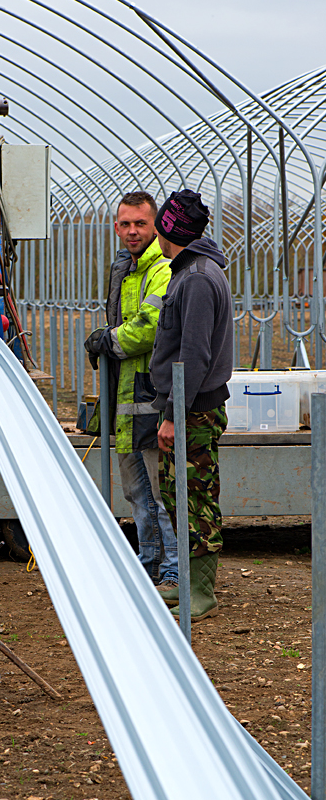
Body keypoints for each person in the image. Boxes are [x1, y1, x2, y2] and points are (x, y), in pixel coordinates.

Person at [85, 191, 179, 588]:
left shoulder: (163, 270)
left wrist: (106, 341)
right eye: (125, 224)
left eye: (140, 223)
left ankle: (174, 571)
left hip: (151, 396)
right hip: (127, 397)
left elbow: (149, 326)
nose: (132, 231)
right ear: (116, 226)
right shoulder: (126, 269)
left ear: (155, 225)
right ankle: (150, 565)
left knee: (158, 492)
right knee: (136, 492)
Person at [149, 189, 233, 622]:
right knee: (179, 494)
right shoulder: (190, 271)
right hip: (189, 407)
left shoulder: (197, 278)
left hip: (194, 409)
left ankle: (201, 594)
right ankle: (187, 584)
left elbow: (194, 355)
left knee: (195, 497)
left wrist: (172, 415)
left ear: (168, 228)